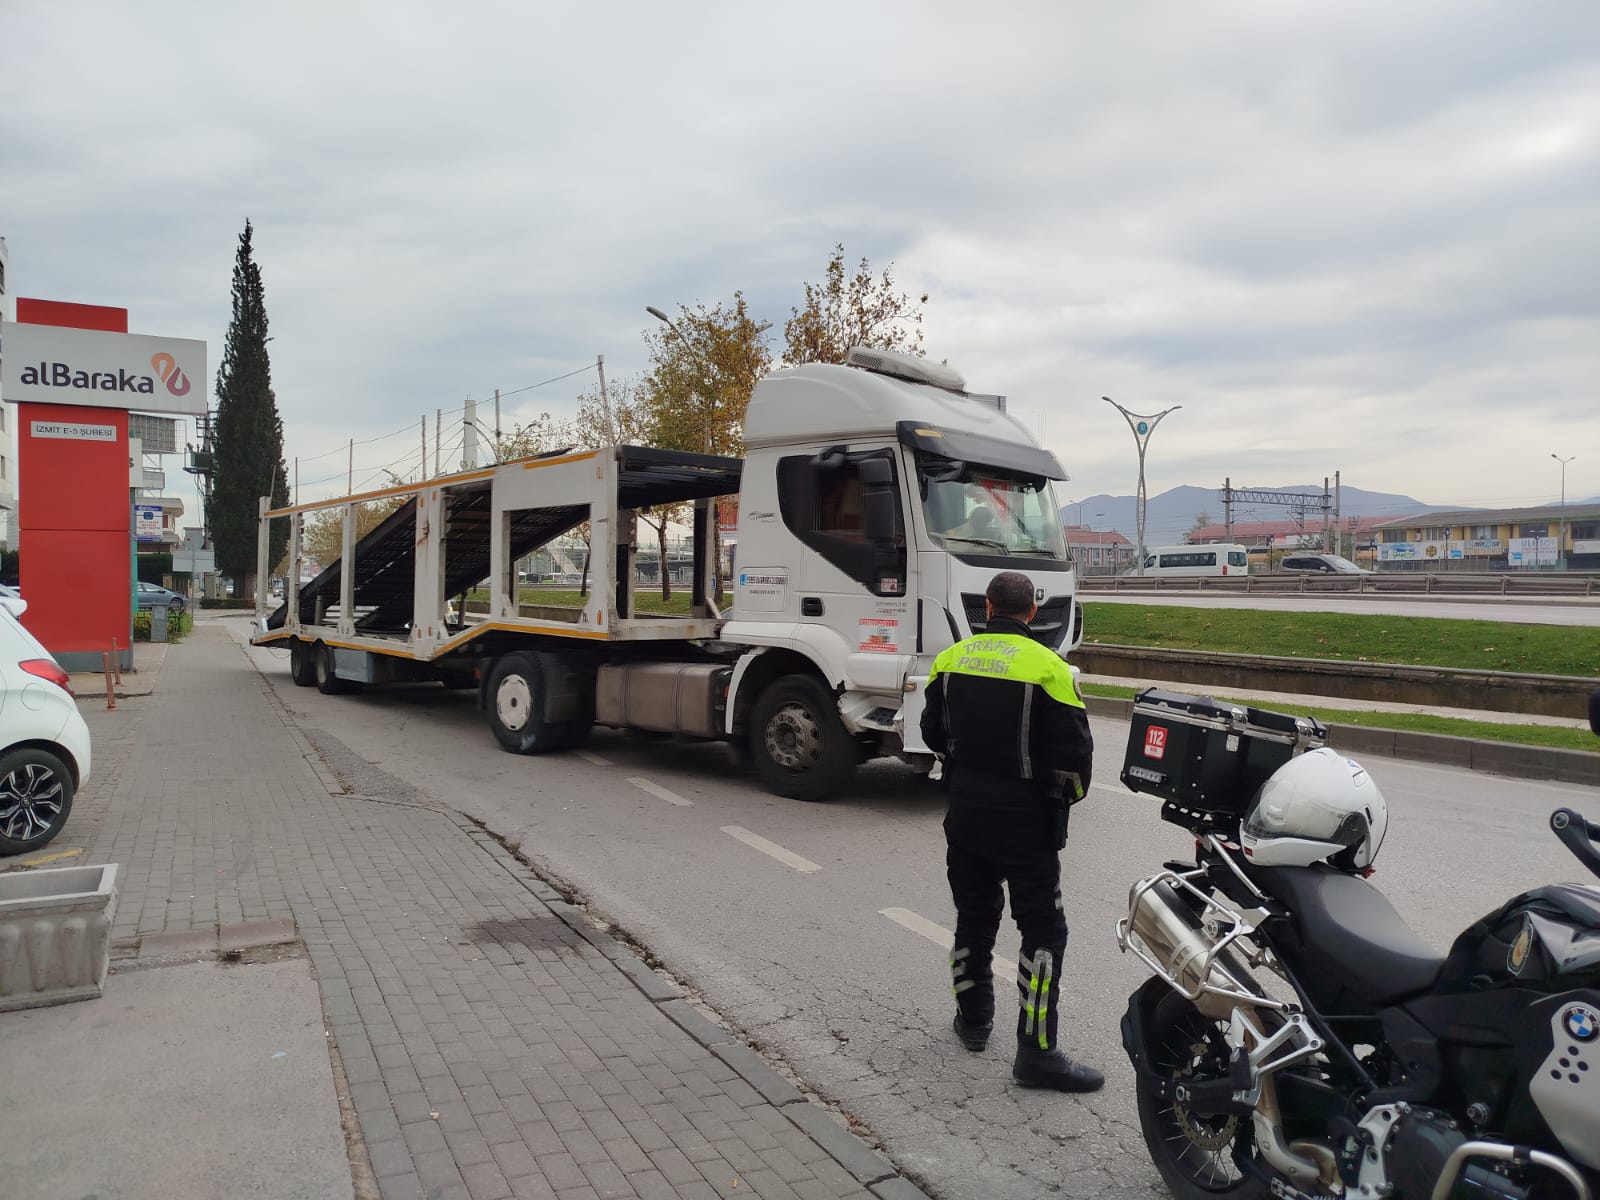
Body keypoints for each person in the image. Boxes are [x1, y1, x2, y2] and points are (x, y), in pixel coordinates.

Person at [919, 570, 1102, 1092]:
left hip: (966, 812)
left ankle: (973, 1022)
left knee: (974, 918)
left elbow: (933, 732)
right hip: (1026, 821)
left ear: (988, 608)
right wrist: (1061, 805)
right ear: (1031, 610)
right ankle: (1037, 1053)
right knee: (1044, 932)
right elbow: (1076, 759)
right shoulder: (1050, 668)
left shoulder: (951, 659)